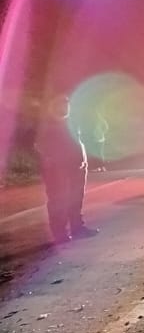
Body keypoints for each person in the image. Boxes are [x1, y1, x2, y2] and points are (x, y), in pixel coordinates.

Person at [34, 94, 97, 242]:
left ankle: (77, 227)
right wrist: (51, 160)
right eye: (61, 105)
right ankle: (60, 233)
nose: (65, 108)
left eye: (66, 105)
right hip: (58, 169)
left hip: (77, 166)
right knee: (58, 200)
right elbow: (39, 146)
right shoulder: (47, 125)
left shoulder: (70, 122)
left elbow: (77, 141)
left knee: (76, 198)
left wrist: (82, 160)